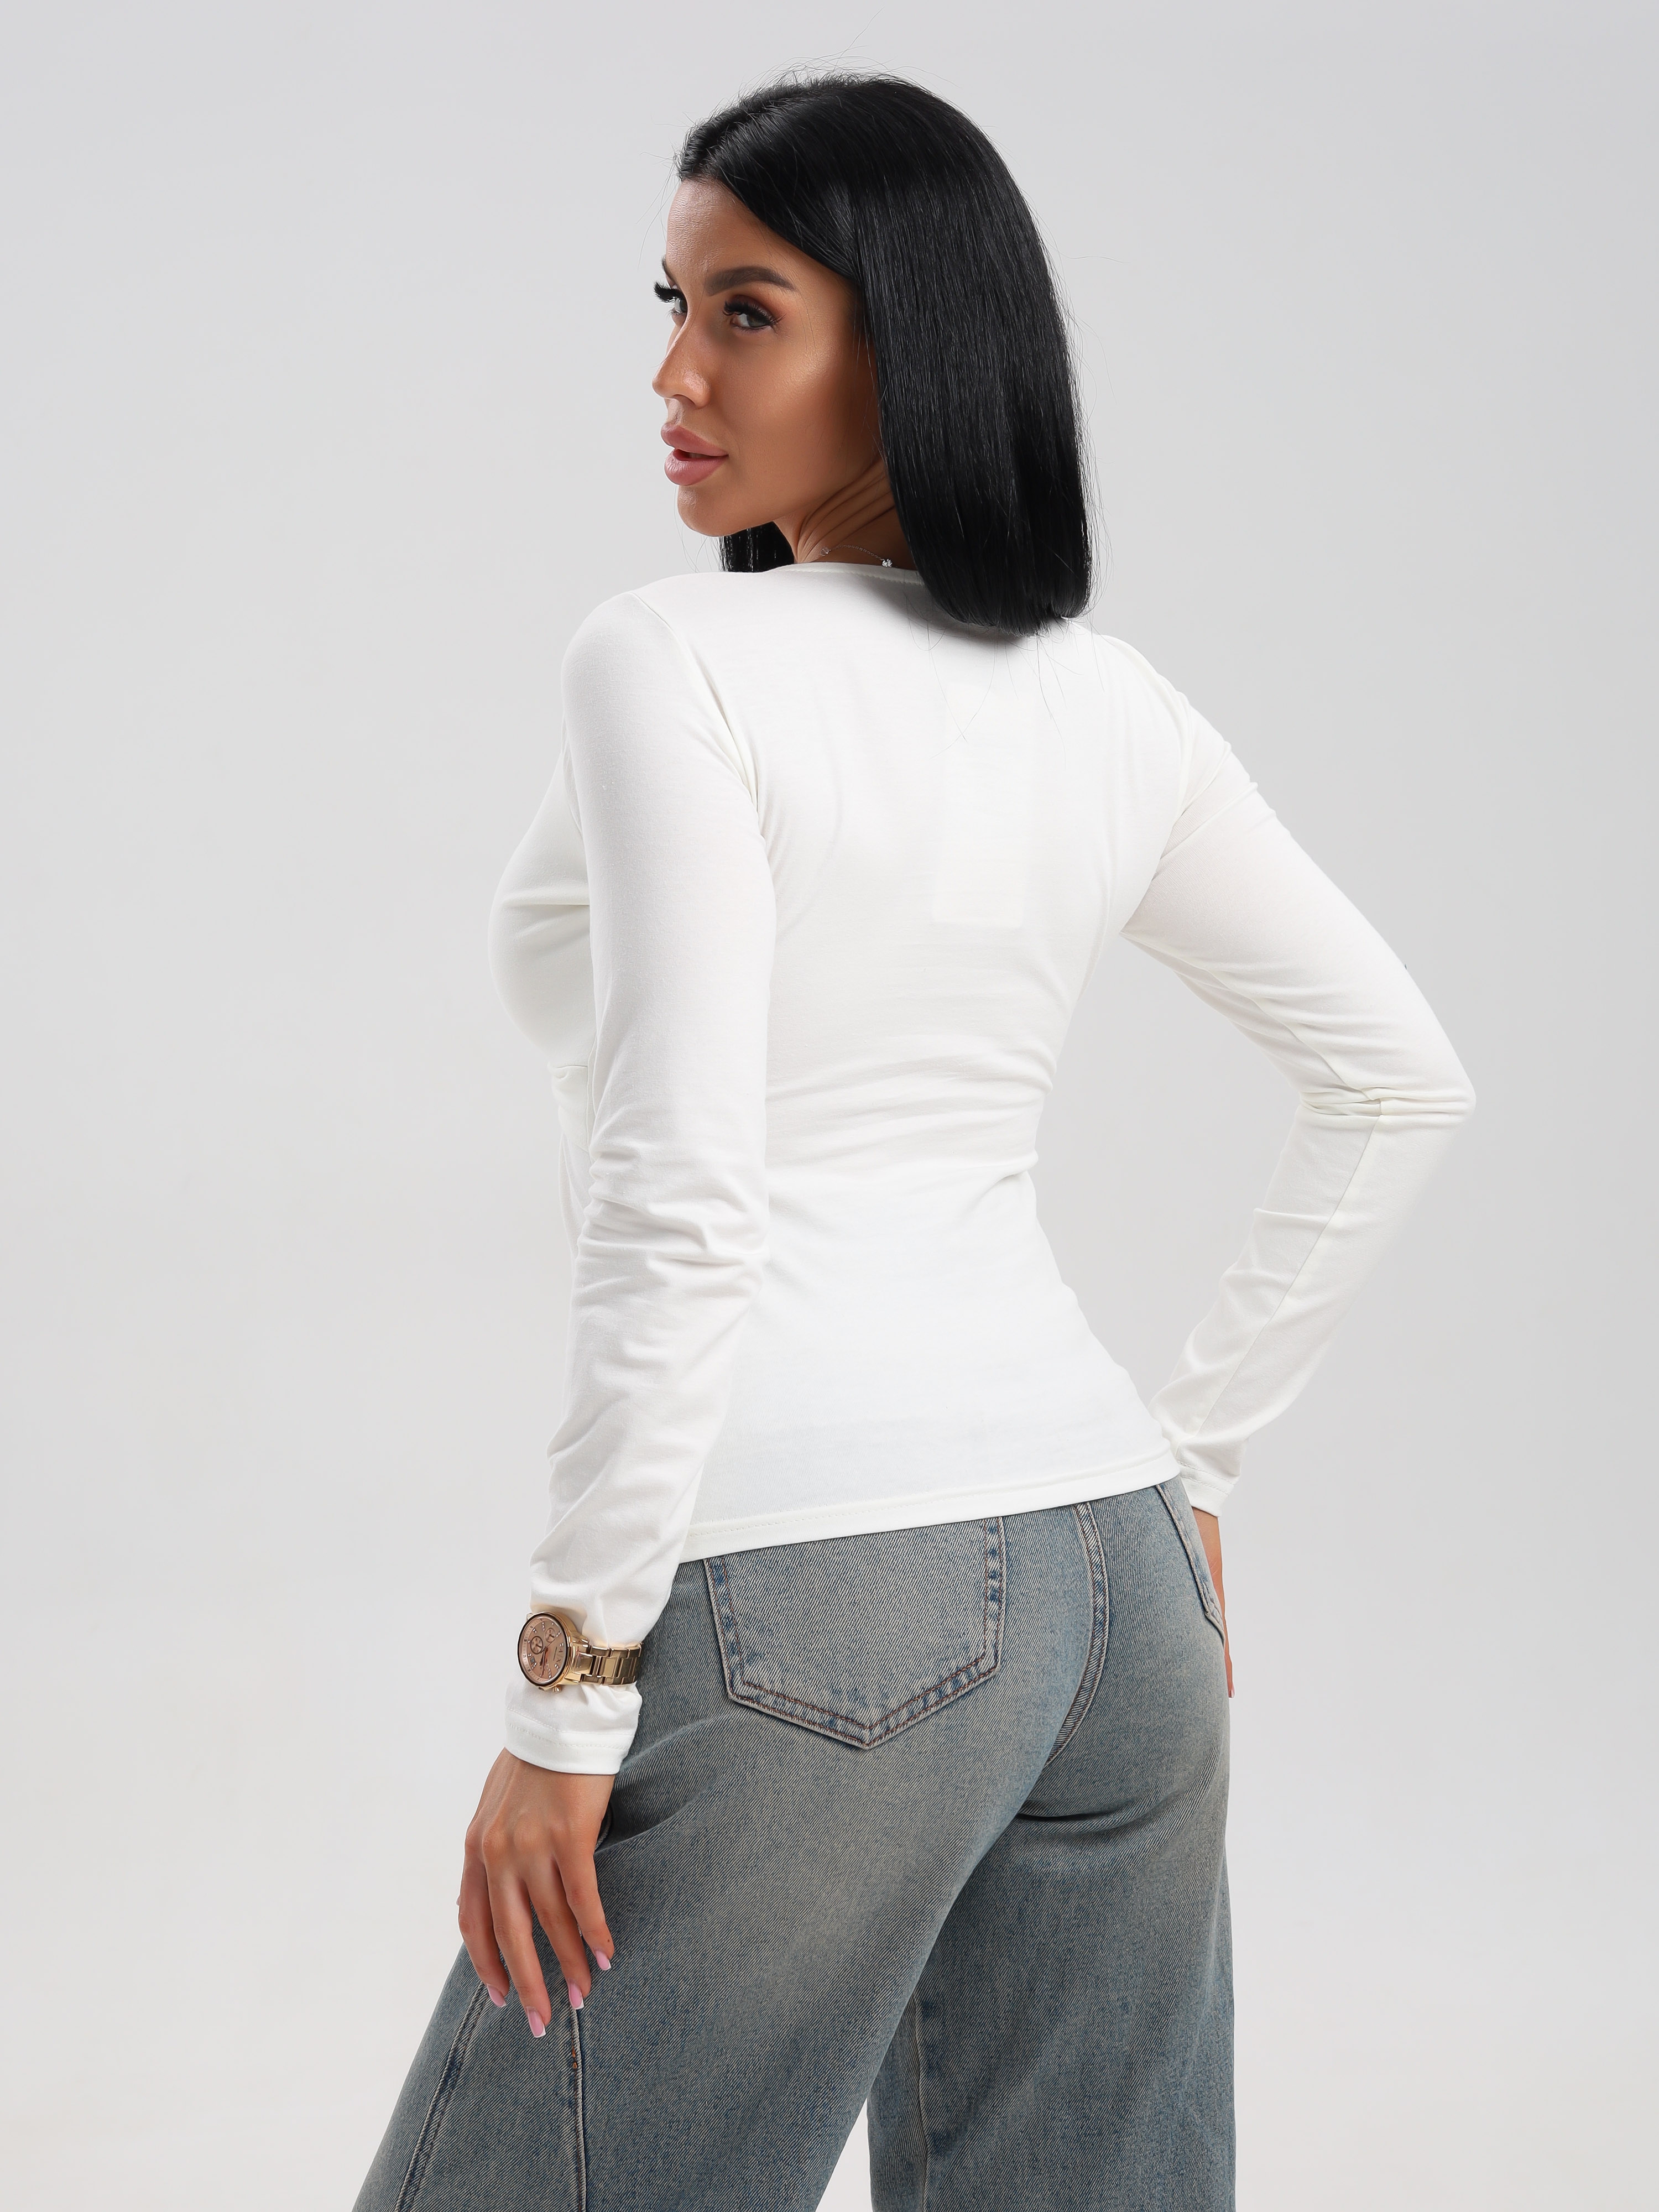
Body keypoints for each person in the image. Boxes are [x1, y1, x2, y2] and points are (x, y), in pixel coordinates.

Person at [354, 73, 1474, 2212]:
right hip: (1115, 1597)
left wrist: (568, 1693)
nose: (676, 378)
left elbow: (686, 1192)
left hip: (825, 1593)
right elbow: (1400, 1076)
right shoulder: (1107, 701)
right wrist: (1194, 1467)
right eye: (672, 307)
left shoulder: (665, 656)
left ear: (913, 341)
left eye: (747, 315)